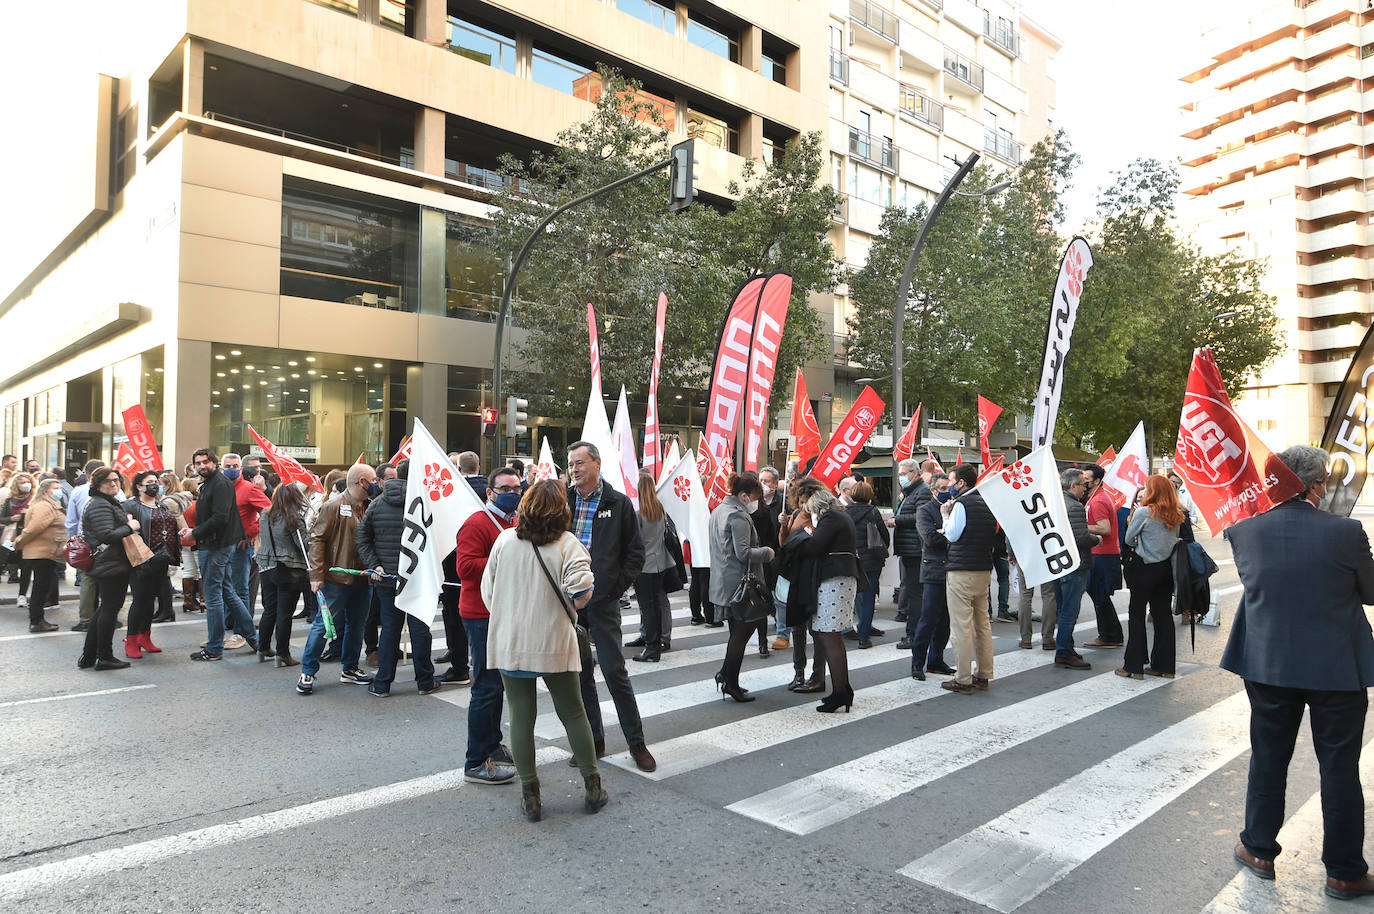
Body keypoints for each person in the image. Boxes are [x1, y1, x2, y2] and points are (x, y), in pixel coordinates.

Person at [1222, 445, 1374, 900]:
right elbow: (1371, 592)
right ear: (1314, 485)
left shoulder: (1244, 531)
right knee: (1340, 768)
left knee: (1268, 757)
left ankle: (1258, 849)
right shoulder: (1346, 531)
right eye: (1324, 481)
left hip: (1268, 663)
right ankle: (1344, 873)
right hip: (1337, 667)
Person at [482, 479, 604, 822]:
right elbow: (581, 595)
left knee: (521, 716)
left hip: (512, 642)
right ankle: (593, 787)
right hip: (553, 641)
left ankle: (531, 795)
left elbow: (488, 593)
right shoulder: (567, 544)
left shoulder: (505, 540)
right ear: (561, 511)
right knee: (574, 713)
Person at [565, 441, 655, 772]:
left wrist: (614, 588)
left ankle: (636, 743)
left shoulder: (618, 503)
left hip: (602, 602)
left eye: (579, 463)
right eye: (570, 464)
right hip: (570, 603)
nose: (574, 469)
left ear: (597, 464)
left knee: (615, 671)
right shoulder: (564, 499)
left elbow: (635, 553)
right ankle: (593, 741)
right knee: (580, 675)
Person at [455, 466, 521, 785]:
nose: (512, 494)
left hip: (501, 612)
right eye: (505, 489)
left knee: (496, 686)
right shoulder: (476, 523)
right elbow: (465, 567)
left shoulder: (514, 522)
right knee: (485, 687)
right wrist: (505, 558)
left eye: (517, 488)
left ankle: (492, 745)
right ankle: (476, 760)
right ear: (490, 492)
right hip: (480, 615)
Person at [356, 460, 439, 698]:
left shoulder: (377, 504)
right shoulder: (426, 503)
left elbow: (362, 538)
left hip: (387, 578)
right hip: (418, 578)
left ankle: (382, 683)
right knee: (420, 629)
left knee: (390, 629)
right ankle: (425, 681)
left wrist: (375, 564)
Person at [298, 463, 378, 694]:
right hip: (337, 579)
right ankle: (308, 671)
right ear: (362, 482)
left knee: (356, 625)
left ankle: (350, 668)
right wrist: (316, 575)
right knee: (324, 625)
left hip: (363, 578)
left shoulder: (369, 506)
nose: (376, 483)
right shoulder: (333, 506)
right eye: (373, 479)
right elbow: (317, 540)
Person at [781, 486, 861, 712]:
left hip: (833, 581)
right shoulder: (840, 516)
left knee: (829, 635)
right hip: (840, 580)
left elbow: (815, 546)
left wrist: (802, 534)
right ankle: (842, 689)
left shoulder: (831, 518)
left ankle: (840, 693)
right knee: (831, 636)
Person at [184, 449, 258, 661]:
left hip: (216, 546)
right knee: (228, 593)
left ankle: (215, 648)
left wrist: (194, 533)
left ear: (215, 463)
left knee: (214, 597)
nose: (202, 466)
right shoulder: (210, 483)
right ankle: (254, 639)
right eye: (198, 463)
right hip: (215, 545)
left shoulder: (219, 484)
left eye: (206, 462)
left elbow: (220, 518)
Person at [708, 473, 775, 702]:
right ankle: (729, 681)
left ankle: (727, 677)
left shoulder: (719, 510)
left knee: (737, 633)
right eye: (755, 498)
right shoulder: (738, 515)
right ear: (744, 496)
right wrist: (767, 552)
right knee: (741, 633)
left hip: (723, 581)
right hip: (740, 584)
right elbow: (744, 553)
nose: (756, 503)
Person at [1117, 475, 1182, 681]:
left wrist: (1135, 530)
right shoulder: (1176, 514)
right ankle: (1165, 666)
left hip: (1144, 567)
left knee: (1136, 615)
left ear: (1152, 491)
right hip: (1165, 569)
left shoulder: (1144, 512)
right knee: (1163, 616)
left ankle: (1134, 666)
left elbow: (1129, 539)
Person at [939, 464, 997, 694]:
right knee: (982, 624)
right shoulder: (987, 502)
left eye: (951, 481)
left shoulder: (961, 504)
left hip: (961, 570)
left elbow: (953, 535)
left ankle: (963, 678)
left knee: (961, 626)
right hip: (983, 569)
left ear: (961, 483)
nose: (949, 486)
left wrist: (945, 516)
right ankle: (984, 674)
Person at [78, 468, 136, 670]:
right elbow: (106, 535)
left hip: (111, 562)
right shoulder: (100, 504)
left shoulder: (104, 502)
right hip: (110, 563)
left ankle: (89, 656)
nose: (113, 484)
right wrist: (130, 527)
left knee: (105, 609)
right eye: (108, 481)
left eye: (116, 480)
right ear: (97, 484)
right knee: (109, 610)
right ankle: (104, 657)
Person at [121, 470, 181, 658]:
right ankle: (131, 640)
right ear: (139, 486)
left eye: (156, 481)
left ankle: (144, 637)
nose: (154, 485)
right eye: (149, 482)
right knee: (140, 600)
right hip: (141, 559)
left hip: (162, 559)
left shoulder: (162, 505)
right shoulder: (130, 506)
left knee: (150, 601)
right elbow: (127, 533)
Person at [255, 480, 311, 666]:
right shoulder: (294, 518)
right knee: (285, 613)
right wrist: (313, 529)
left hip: (267, 565)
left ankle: (263, 647)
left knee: (270, 609)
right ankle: (282, 654)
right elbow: (304, 545)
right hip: (289, 567)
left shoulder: (265, 514)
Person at [632, 471, 685, 663]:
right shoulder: (660, 510)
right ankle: (655, 641)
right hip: (660, 563)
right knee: (655, 604)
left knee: (647, 607)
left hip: (644, 566)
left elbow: (635, 543)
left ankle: (652, 646)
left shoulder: (638, 515)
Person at [1053, 469, 1098, 672]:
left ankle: (1066, 648)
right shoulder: (1075, 506)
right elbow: (1081, 538)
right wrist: (1097, 539)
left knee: (1063, 609)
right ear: (1073, 486)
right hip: (1074, 564)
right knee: (1069, 611)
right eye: (1082, 485)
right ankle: (1063, 652)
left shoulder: (1055, 502)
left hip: (1058, 564)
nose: (1085, 489)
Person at [909, 473, 954, 680]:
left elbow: (959, 535)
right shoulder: (925, 510)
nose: (947, 492)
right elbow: (930, 538)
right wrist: (948, 534)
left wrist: (944, 531)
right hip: (934, 570)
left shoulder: (955, 508)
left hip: (952, 569)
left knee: (945, 621)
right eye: (943, 489)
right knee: (928, 619)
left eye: (949, 488)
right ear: (933, 490)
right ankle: (917, 663)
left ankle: (936, 660)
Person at [13, 477, 65, 632]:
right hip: (42, 552)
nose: (59, 491)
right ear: (45, 491)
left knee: (41, 587)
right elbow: (34, 528)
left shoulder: (50, 504)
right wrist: (19, 541)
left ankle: (38, 620)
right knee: (40, 588)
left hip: (47, 551)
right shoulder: (44, 506)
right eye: (55, 488)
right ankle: (36, 621)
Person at [1082, 463, 1125, 649]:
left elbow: (1105, 528)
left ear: (1096, 481)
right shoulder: (1095, 498)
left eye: (1086, 479)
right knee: (1099, 595)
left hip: (1102, 554)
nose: (1083, 482)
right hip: (1101, 553)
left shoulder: (1098, 500)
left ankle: (1110, 636)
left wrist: (1081, 526)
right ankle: (1110, 635)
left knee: (1099, 595)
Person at [892, 458, 931, 651]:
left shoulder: (922, 491)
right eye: (899, 474)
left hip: (915, 550)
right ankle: (915, 632)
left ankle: (914, 634)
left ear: (914, 473)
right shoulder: (910, 492)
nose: (901, 477)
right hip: (909, 549)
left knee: (915, 594)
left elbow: (921, 517)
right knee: (914, 592)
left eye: (903, 473)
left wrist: (897, 520)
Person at [845, 481, 889, 649]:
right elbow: (884, 535)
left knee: (855, 596)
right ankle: (864, 636)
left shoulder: (844, 512)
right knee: (869, 598)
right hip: (872, 560)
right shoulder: (873, 512)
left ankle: (853, 627)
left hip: (851, 559)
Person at [759, 466, 791, 650]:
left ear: (775, 483)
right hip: (760, 554)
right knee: (763, 592)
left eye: (767, 481)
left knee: (779, 594)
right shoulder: (754, 501)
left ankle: (782, 630)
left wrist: (785, 523)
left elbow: (792, 528)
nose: (763, 484)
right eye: (761, 480)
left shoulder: (784, 502)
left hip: (779, 554)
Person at [4, 472, 36, 609]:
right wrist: (11, 518)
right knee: (8, 561)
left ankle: (22, 595)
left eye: (27, 482)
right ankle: (12, 578)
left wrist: (27, 514)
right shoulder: (9, 501)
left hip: (27, 538)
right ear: (16, 485)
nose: (25, 484)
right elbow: (2, 518)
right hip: (10, 538)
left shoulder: (34, 500)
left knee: (26, 566)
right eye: (22, 482)